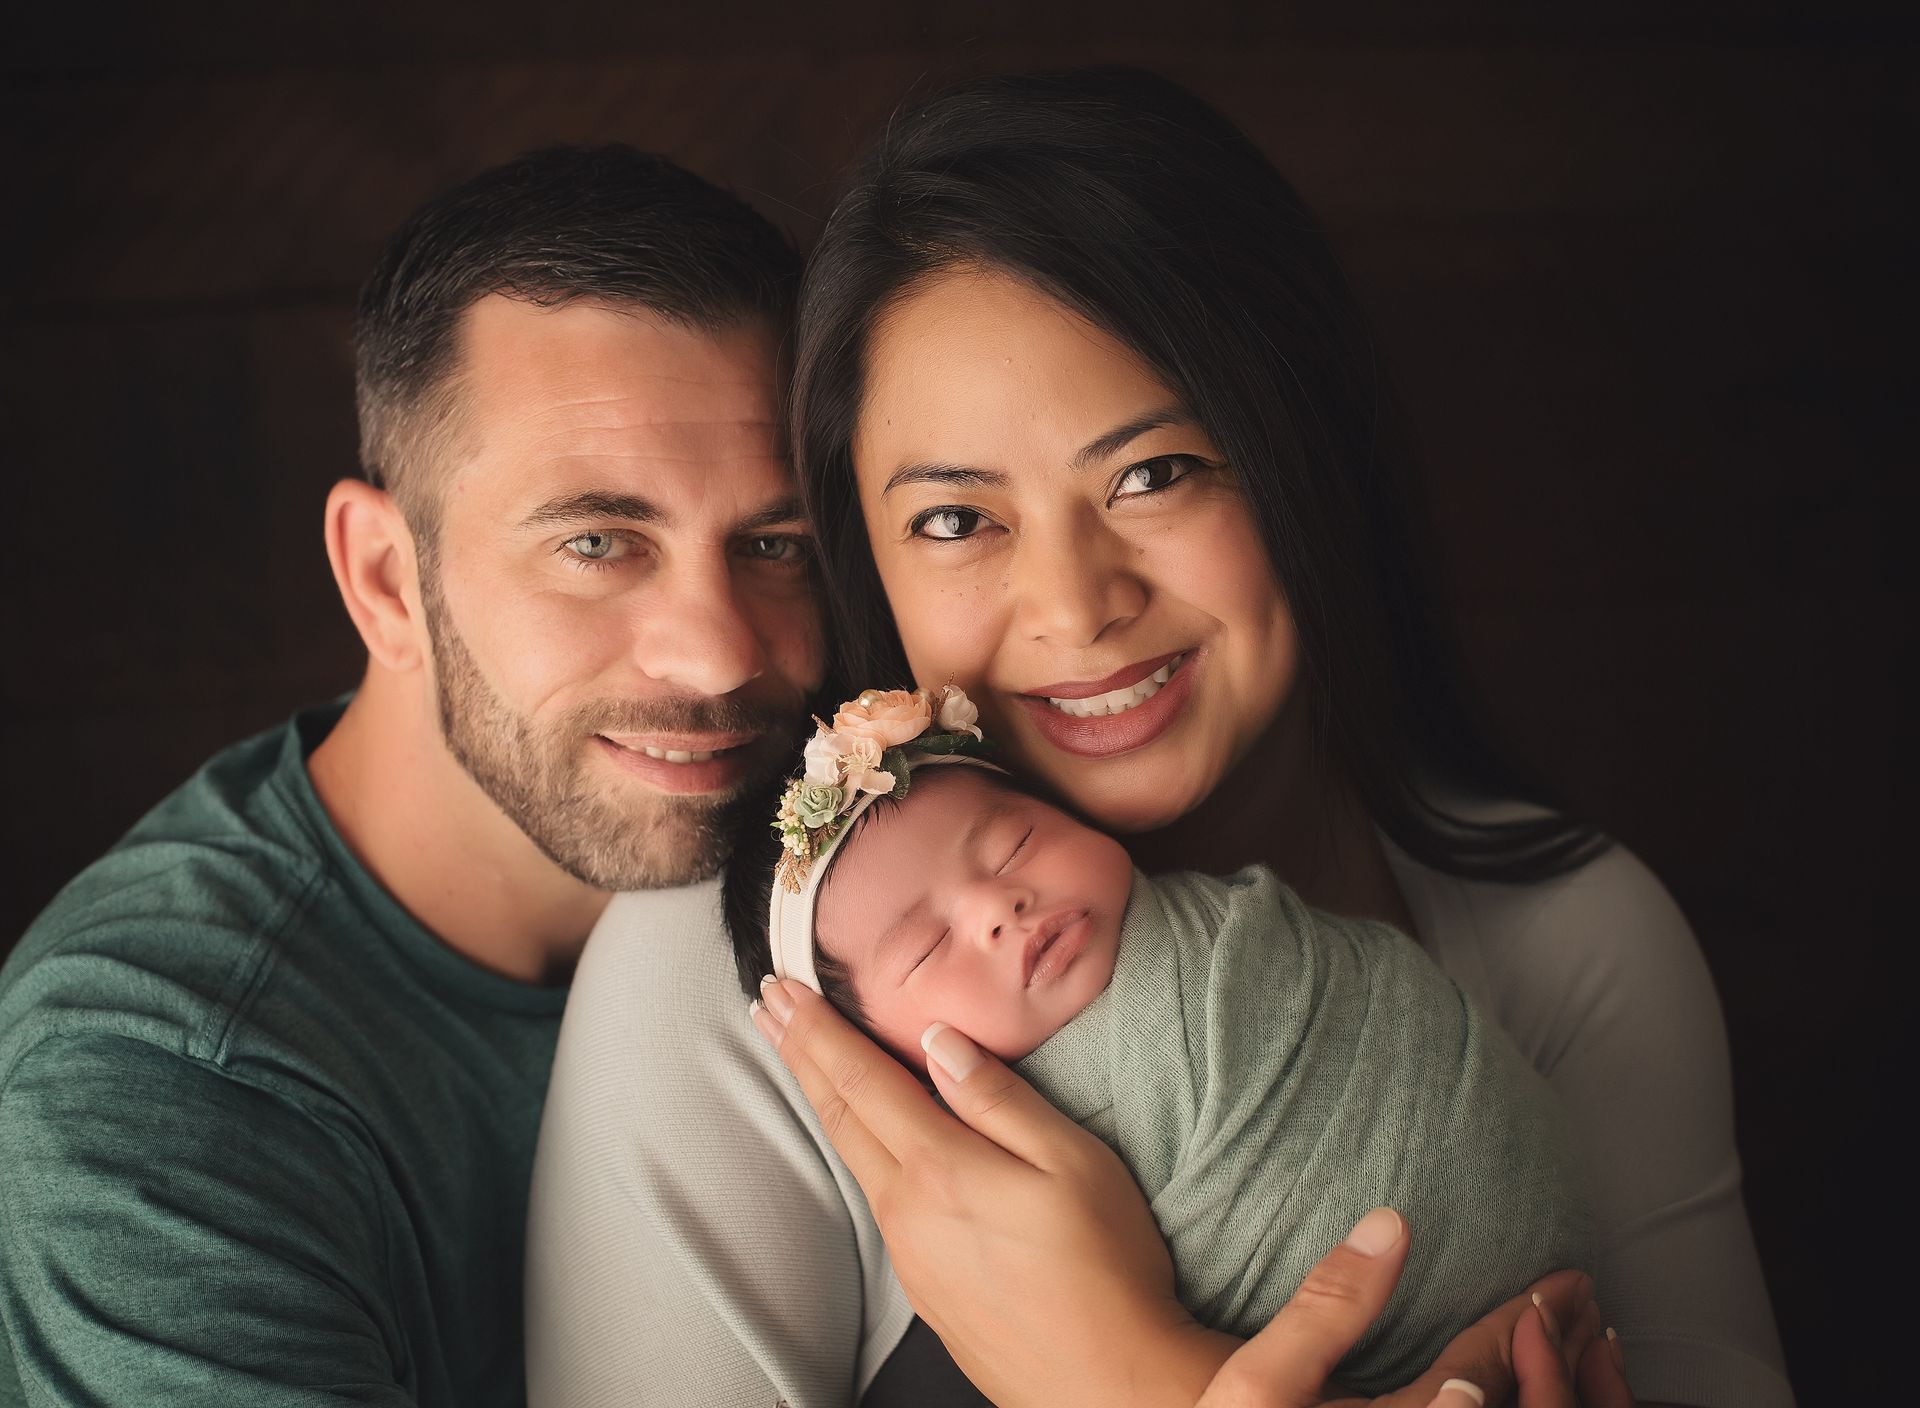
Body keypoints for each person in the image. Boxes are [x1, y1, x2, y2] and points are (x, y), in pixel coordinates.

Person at [528, 68, 1790, 1408]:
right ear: (869, 569)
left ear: (1303, 453)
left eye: (1155, 473)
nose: (1076, 608)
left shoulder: (1569, 938)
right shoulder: (740, 989)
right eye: (956, 518)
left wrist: (1133, 1375)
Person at [0, 144, 821, 1405]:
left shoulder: (893, 851)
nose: (717, 649)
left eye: (775, 542)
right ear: (385, 577)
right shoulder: (161, 1086)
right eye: (598, 542)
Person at [723, 687, 1593, 1395]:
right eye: (925, 946)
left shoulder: (1219, 922)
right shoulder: (977, 1172)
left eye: (1015, 843)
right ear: (875, 1056)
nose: (998, 909)